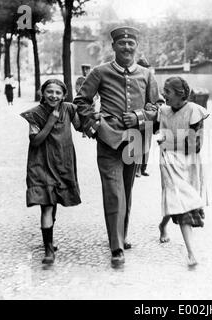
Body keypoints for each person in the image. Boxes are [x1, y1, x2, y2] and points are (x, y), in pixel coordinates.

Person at [73, 26, 161, 267]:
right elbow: (80, 101)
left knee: (126, 190)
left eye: (131, 44)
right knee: (113, 192)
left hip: (134, 140)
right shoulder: (100, 72)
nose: (126, 47)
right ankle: (116, 247)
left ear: (136, 46)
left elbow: (156, 105)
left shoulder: (146, 74)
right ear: (113, 46)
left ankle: (120, 235)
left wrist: (140, 116)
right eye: (121, 44)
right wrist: (93, 125)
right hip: (108, 139)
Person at [20, 79, 81, 264]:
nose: (53, 96)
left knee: (53, 202)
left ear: (64, 95)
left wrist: (90, 112)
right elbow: (35, 140)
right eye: (49, 92)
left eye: (58, 93)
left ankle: (50, 240)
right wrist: (51, 121)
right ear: (42, 93)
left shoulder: (69, 109)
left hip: (62, 162)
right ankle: (48, 250)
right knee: (46, 204)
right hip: (41, 164)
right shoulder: (35, 114)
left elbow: (79, 126)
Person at [156, 77, 209, 266]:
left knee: (178, 202)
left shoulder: (194, 111)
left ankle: (163, 225)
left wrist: (166, 140)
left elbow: (193, 145)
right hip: (169, 161)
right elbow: (153, 130)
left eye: (167, 92)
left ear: (180, 94)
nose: (164, 95)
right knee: (181, 202)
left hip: (189, 163)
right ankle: (191, 253)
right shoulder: (162, 111)